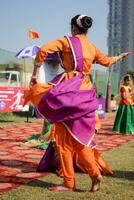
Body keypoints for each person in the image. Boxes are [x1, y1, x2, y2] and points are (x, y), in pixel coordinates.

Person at [24, 14, 131, 192]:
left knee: (63, 142)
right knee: (81, 141)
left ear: (73, 27)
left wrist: (35, 74)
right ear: (87, 30)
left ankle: (69, 183)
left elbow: (42, 51)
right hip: (87, 94)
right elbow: (107, 61)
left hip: (68, 92)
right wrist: (119, 57)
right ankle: (94, 172)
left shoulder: (66, 41)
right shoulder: (92, 47)